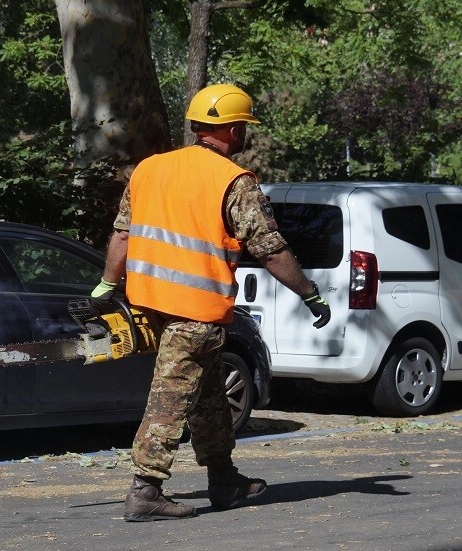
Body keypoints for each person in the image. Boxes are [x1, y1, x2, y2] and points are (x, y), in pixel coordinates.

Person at [91, 83, 332, 522]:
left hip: (151, 305)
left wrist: (107, 285)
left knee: (207, 396)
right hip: (196, 312)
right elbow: (271, 250)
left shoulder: (148, 169)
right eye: (244, 128)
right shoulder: (233, 182)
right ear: (234, 130)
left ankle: (224, 479)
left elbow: (123, 234)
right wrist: (309, 293)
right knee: (171, 398)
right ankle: (145, 490)